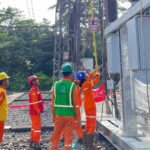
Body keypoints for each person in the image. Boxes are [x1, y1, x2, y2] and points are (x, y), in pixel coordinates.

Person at [50, 63, 81, 150]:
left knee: (56, 136)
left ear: (62, 73)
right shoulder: (72, 86)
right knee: (68, 137)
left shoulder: (55, 85)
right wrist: (78, 118)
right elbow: (76, 105)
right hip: (69, 116)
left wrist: (53, 116)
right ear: (71, 74)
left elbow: (52, 102)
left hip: (58, 115)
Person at [77, 66, 100, 150]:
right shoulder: (88, 83)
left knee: (88, 124)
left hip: (87, 105)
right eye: (85, 74)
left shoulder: (83, 83)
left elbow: (89, 76)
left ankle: (86, 145)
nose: (87, 74)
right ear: (84, 77)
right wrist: (97, 73)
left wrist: (94, 70)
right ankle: (90, 146)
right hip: (91, 106)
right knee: (92, 123)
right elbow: (96, 81)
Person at [61, 72, 83, 145]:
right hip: (69, 106)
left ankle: (80, 137)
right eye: (72, 76)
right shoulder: (69, 85)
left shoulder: (76, 84)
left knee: (76, 122)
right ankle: (64, 137)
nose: (73, 77)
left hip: (74, 106)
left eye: (73, 76)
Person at [28, 76, 44, 150]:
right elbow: (35, 102)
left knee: (34, 127)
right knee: (37, 127)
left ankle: (32, 141)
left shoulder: (35, 89)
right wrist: (38, 110)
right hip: (35, 112)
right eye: (36, 80)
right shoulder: (33, 90)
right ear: (33, 82)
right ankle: (36, 143)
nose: (38, 80)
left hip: (34, 112)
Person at [0, 72, 9, 147]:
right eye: (6, 79)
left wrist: (6, 104)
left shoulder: (2, 90)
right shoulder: (1, 92)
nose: (8, 81)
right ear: (2, 81)